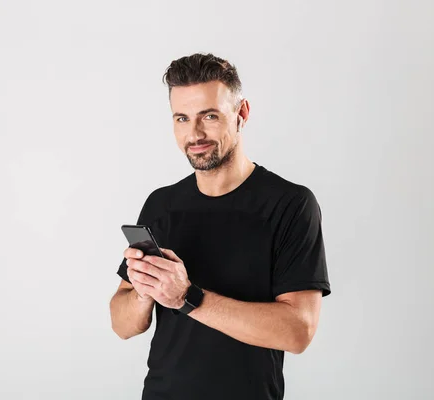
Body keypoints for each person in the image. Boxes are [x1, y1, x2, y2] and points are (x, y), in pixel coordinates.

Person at [109, 53, 331, 400]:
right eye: (182, 118)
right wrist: (144, 290)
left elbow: (298, 332)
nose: (194, 133)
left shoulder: (290, 204)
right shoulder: (161, 204)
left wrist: (187, 297)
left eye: (209, 116)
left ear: (241, 114)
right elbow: (122, 326)